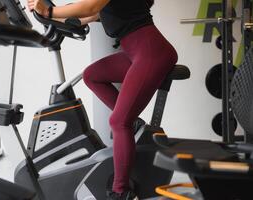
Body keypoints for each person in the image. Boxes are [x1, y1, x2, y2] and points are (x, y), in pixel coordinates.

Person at [27, 0, 178, 199]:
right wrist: (50, 16)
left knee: (118, 122)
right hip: (137, 52)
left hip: (151, 52)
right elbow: (88, 16)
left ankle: (121, 191)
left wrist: (48, 10)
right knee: (92, 75)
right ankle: (130, 124)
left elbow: (90, 7)